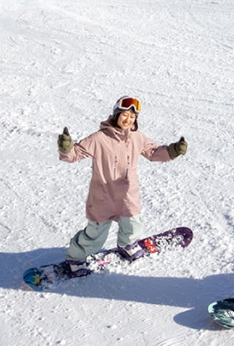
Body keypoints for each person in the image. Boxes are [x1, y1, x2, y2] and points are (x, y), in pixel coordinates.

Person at [57, 96, 188, 276]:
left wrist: (173, 150)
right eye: (125, 115)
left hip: (128, 193)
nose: (128, 120)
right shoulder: (99, 138)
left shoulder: (137, 137)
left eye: (132, 117)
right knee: (96, 234)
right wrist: (66, 148)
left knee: (133, 223)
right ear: (116, 115)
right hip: (103, 195)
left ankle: (128, 246)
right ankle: (75, 259)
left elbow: (154, 153)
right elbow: (75, 154)